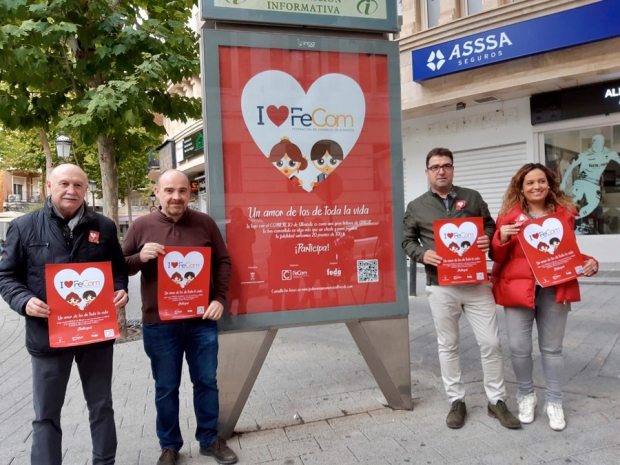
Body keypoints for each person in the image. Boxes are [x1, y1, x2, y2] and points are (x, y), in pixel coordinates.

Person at [0, 164, 129, 465]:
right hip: (47, 338)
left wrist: (121, 290)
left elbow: (118, 270)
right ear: (49, 186)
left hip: (94, 336)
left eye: (78, 185)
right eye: (64, 184)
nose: (71, 190)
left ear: (86, 189)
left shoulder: (105, 227)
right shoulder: (23, 226)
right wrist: (24, 301)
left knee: (102, 407)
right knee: (45, 415)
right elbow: (6, 277)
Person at [122, 169, 237, 465]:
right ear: (157, 193)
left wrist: (219, 299)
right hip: (160, 325)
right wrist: (140, 257)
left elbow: (223, 261)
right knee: (166, 387)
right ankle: (170, 446)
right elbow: (120, 266)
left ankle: (210, 440)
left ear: (190, 193)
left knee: (206, 382)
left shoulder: (205, 223)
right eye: (169, 190)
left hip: (201, 321)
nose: (176, 196)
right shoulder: (141, 226)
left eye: (183, 191)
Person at [402, 147, 520, 430]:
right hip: (441, 286)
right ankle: (457, 400)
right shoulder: (416, 207)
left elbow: (490, 226)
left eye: (446, 165)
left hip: (477, 283)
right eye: (435, 167)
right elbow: (406, 241)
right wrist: (422, 255)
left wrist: (486, 238)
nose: (441, 171)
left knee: (491, 343)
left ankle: (497, 401)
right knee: (448, 345)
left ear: (453, 169)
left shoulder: (473, 197)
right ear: (427, 172)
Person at [490, 163, 598, 431]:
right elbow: (498, 257)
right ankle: (526, 396)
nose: (536, 186)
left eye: (541, 181)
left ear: (549, 184)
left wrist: (590, 263)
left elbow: (566, 252)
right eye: (530, 183)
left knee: (552, 349)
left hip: (554, 288)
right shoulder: (508, 216)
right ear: (521, 188)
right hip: (518, 289)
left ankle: (554, 401)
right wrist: (500, 238)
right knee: (518, 347)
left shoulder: (563, 215)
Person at [559, 134, 620, 219]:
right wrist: (563, 182)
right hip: (582, 181)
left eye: (597, 143)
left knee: (593, 203)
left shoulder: (609, 154)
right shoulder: (585, 155)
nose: (595, 145)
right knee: (575, 199)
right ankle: (562, 217)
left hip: (594, 183)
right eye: (594, 143)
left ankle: (576, 217)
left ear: (602, 143)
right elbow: (571, 167)